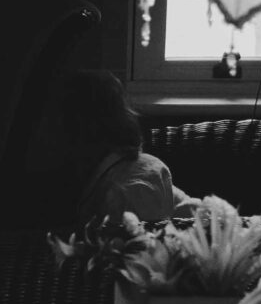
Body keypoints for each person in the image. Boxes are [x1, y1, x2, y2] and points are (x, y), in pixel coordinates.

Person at [36, 69, 189, 226]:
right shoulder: (140, 167)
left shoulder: (128, 192)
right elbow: (190, 209)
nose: (44, 130)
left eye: (51, 120)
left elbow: (140, 245)